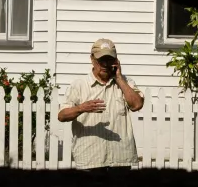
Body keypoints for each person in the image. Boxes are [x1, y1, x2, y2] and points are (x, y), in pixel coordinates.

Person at [56, 38, 144, 169]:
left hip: (121, 161)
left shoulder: (126, 82)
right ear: (92, 59)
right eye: (101, 60)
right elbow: (62, 116)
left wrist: (119, 78)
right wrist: (81, 108)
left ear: (116, 61)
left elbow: (137, 105)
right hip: (90, 161)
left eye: (109, 60)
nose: (105, 64)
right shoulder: (79, 85)